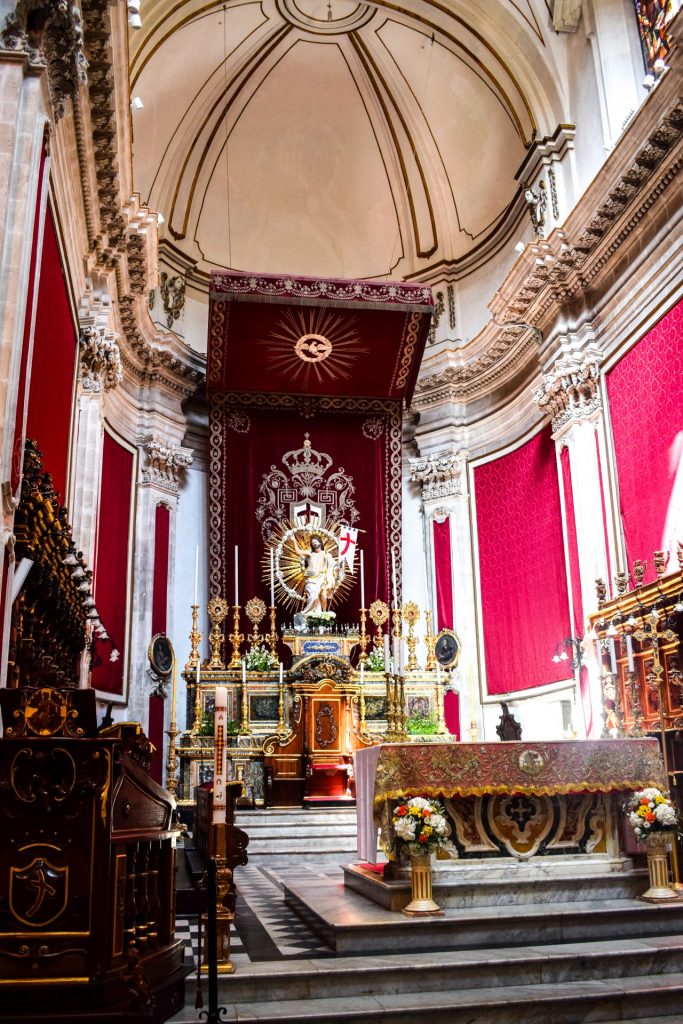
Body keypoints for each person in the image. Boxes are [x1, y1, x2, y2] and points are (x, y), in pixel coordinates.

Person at [293, 533, 338, 613]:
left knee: (323, 596)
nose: (314, 543)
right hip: (311, 579)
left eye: (315, 541)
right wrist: (294, 541)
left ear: (320, 542)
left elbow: (333, 564)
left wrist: (337, 568)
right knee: (312, 598)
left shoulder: (326, 554)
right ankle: (309, 614)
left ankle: (323, 615)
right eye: (312, 542)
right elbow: (298, 552)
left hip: (321, 578)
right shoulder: (310, 553)